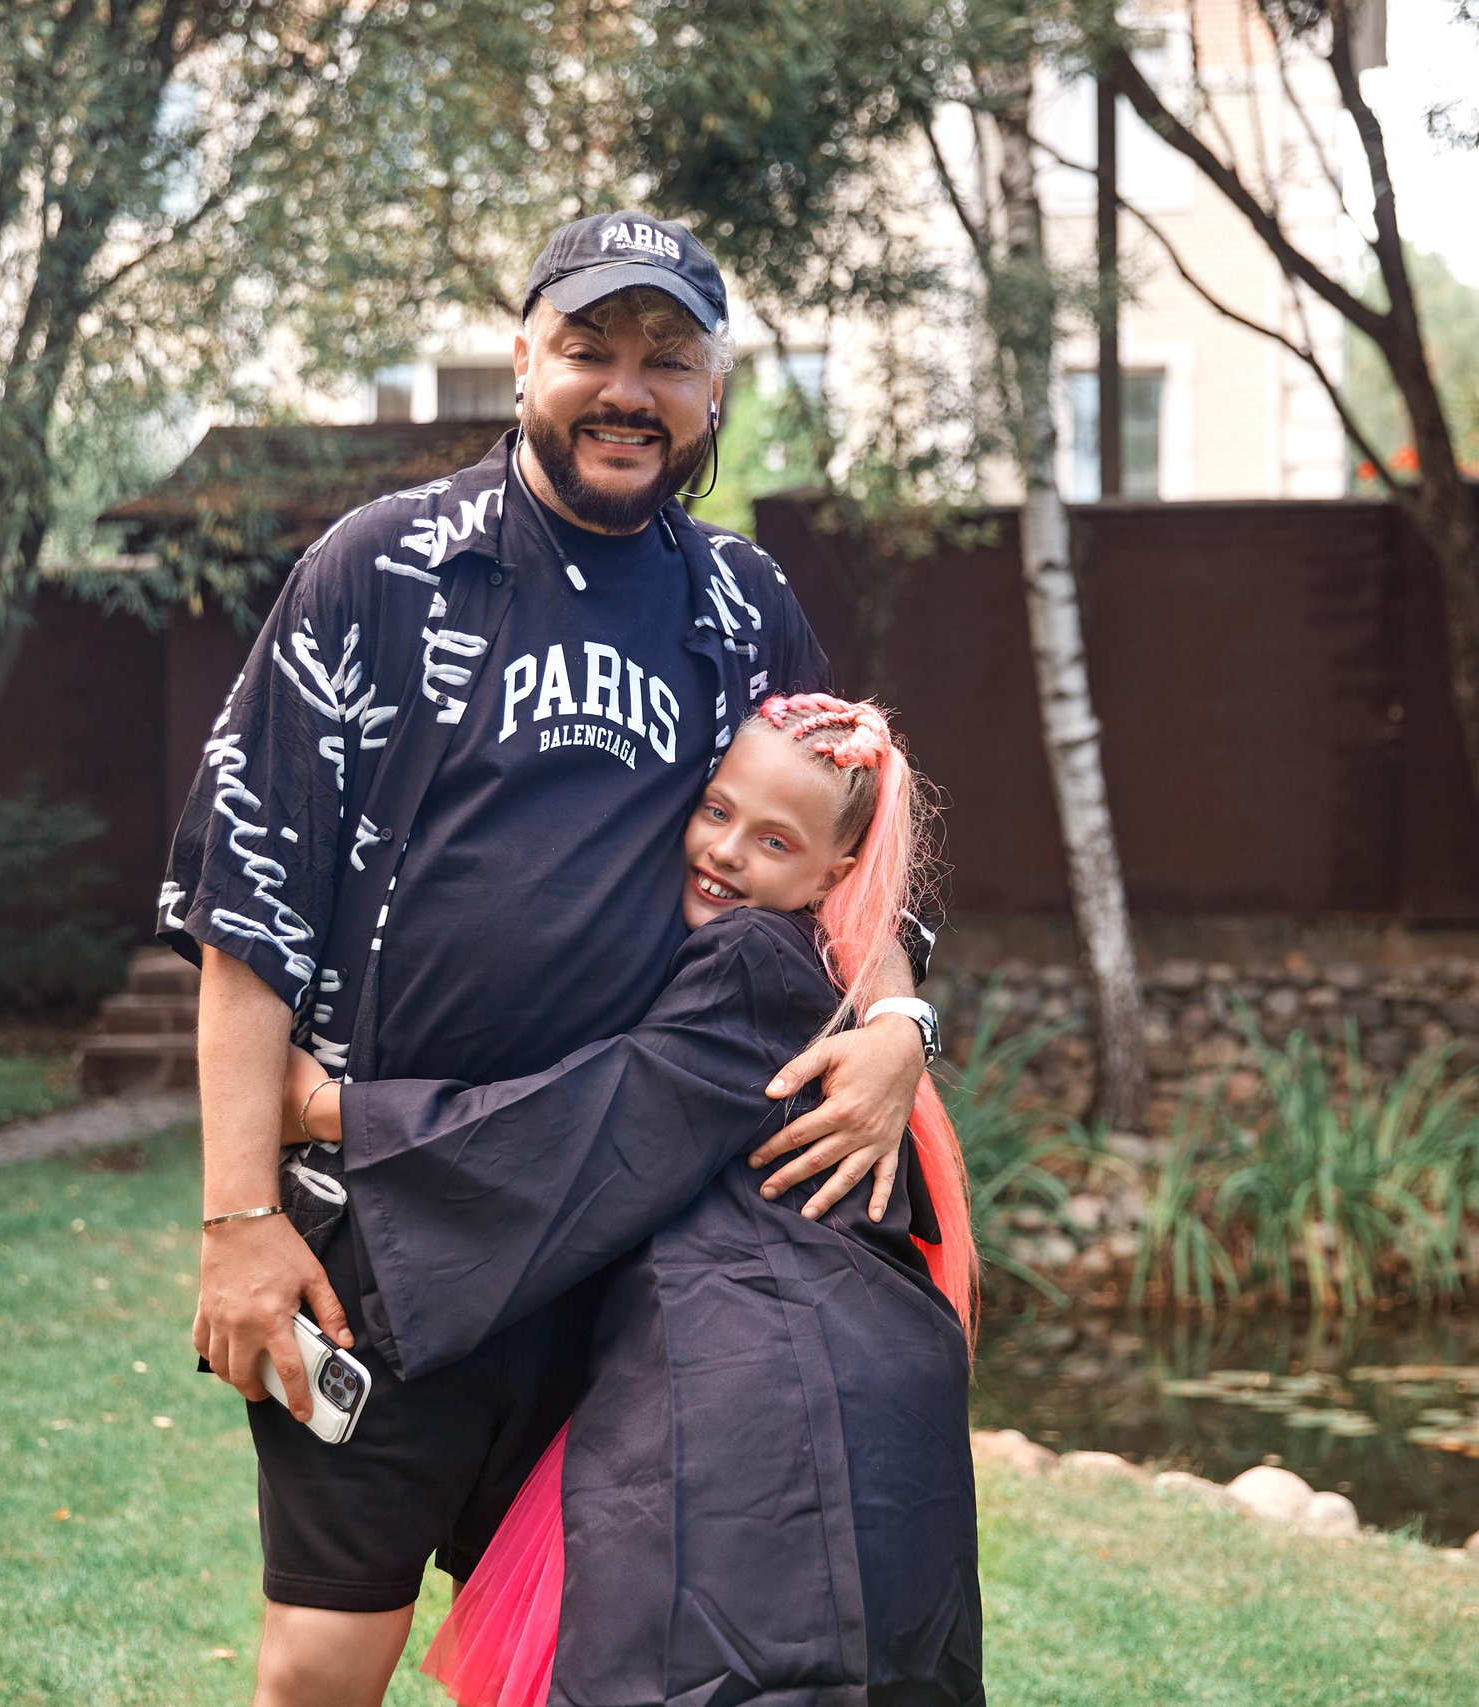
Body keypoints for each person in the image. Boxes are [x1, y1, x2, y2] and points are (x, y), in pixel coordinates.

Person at [159, 210, 945, 1707]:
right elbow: (245, 908)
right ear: (523, 357)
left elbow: (844, 843)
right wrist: (238, 1214)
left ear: (715, 389)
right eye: (590, 347)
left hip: (631, 1252)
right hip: (384, 1232)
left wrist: (901, 1006)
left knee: (598, 1659)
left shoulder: (739, 605)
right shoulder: (382, 570)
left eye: (669, 358)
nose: (626, 388)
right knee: (325, 1659)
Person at [286, 695, 983, 1707]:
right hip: (859, 1389)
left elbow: (588, 1123)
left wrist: (326, 1108)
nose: (728, 852)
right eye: (715, 812)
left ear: (834, 875)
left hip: (771, 1389)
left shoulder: (751, 959)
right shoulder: (824, 973)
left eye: (774, 839)